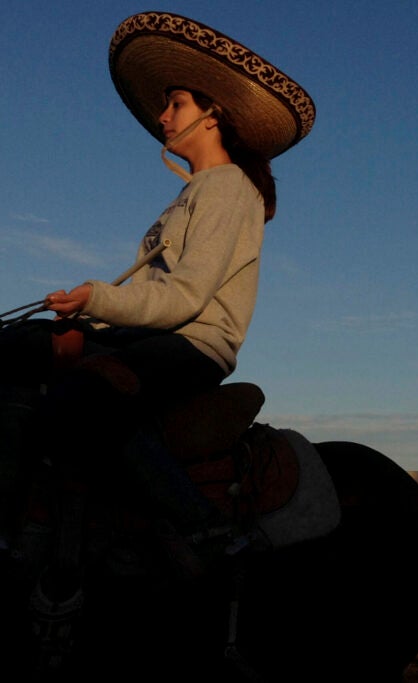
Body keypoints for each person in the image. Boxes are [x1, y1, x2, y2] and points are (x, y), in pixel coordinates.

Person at [0, 12, 315, 575]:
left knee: (82, 402)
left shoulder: (227, 188)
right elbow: (150, 292)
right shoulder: (195, 194)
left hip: (191, 346)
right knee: (19, 348)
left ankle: (205, 527)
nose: (164, 116)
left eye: (176, 104)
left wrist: (94, 299)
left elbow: (186, 298)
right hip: (149, 336)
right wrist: (88, 318)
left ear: (213, 113)